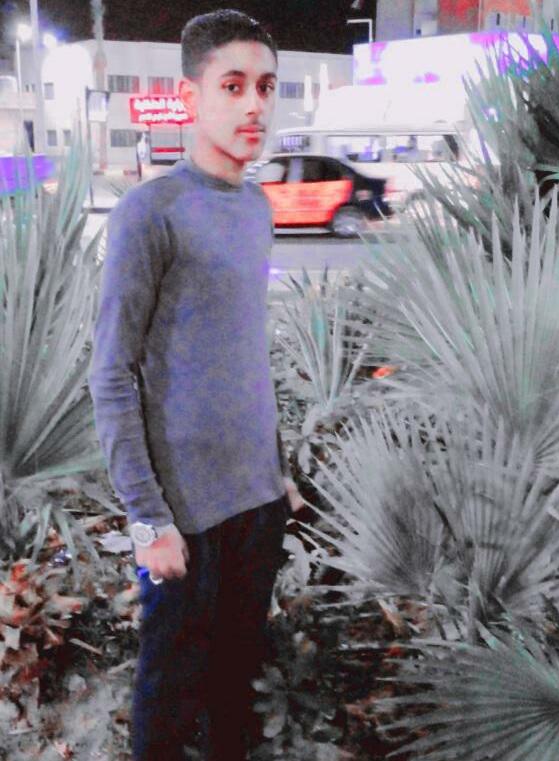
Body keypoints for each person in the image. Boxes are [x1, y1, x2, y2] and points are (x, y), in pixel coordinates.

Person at [87, 9, 304, 761]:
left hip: (257, 505)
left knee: (234, 692)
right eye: (233, 86)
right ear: (190, 98)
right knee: (168, 702)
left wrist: (278, 472)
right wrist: (148, 520)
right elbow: (111, 373)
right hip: (184, 515)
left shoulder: (256, 208)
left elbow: (242, 353)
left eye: (266, 87)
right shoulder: (151, 213)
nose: (255, 105)